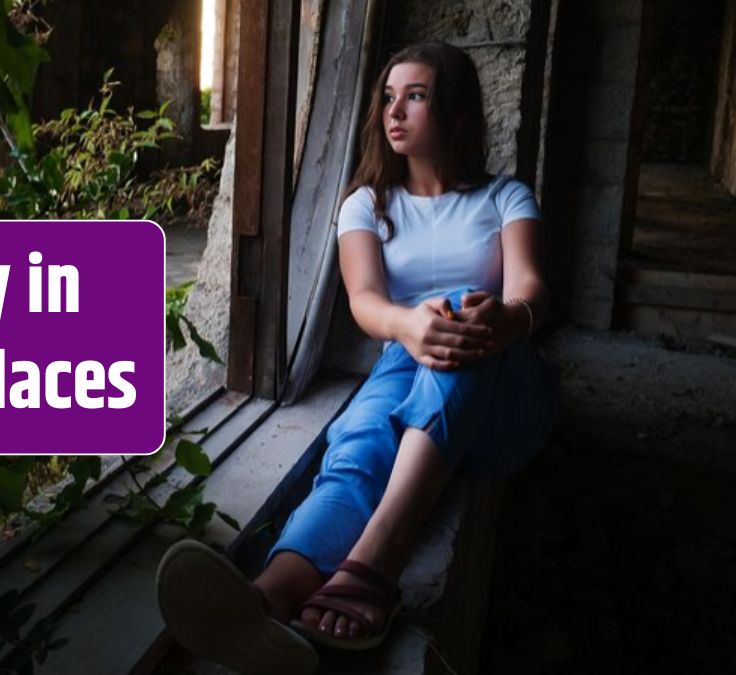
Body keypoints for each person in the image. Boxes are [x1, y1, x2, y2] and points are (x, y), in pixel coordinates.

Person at [156, 41, 561, 674]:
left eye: (417, 96)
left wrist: (497, 322)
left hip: (503, 397)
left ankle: (377, 563)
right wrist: (410, 324)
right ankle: (268, 601)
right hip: (406, 368)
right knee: (360, 440)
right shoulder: (367, 204)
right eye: (388, 97)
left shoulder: (505, 197)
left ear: (455, 111)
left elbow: (530, 289)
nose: (394, 111)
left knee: (460, 312)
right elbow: (368, 303)